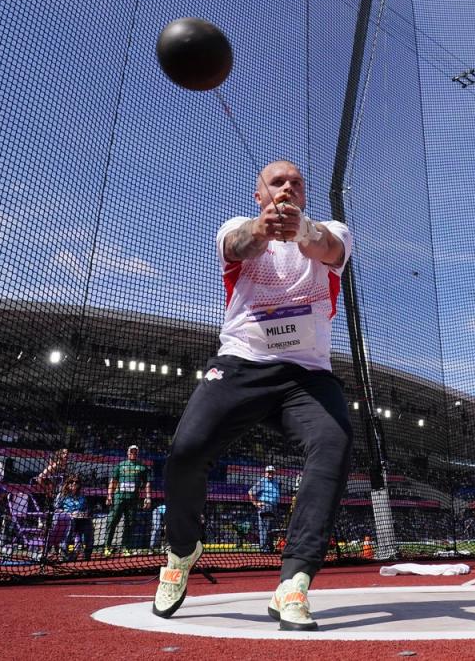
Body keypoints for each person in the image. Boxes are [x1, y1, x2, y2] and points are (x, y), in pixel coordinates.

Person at [152, 160, 353, 631]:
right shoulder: (237, 230)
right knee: (185, 450)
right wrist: (262, 231)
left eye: (296, 183)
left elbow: (328, 246)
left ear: (305, 196)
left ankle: (295, 581)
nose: (288, 187)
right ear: (258, 196)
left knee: (334, 444)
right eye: (277, 183)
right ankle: (181, 551)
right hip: (241, 363)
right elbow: (238, 243)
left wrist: (302, 230)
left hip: (306, 373)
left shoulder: (331, 230)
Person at [103, 445, 151, 556]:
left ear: (137, 453)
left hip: (133, 499)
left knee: (130, 523)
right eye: (131, 451)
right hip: (119, 498)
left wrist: (148, 497)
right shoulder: (120, 465)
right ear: (127, 452)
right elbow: (113, 481)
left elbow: (147, 483)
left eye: (135, 452)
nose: (133, 453)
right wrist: (109, 495)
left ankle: (126, 548)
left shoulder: (142, 467)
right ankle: (107, 546)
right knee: (112, 521)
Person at [54, 475, 93, 561]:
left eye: (77, 482)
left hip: (82, 519)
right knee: (71, 524)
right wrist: (68, 513)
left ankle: (87, 553)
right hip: (67, 519)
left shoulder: (82, 496)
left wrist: (86, 513)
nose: (74, 484)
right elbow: (56, 509)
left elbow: (87, 508)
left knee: (89, 526)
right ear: (67, 484)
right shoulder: (62, 495)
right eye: (72, 482)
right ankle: (64, 552)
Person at [249, 465, 280, 553]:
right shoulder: (262, 482)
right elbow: (251, 492)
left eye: (272, 472)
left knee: (271, 528)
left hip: (274, 507)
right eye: (269, 472)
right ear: (265, 473)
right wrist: (255, 503)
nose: (270, 474)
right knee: (264, 528)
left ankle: (270, 547)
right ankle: (264, 548)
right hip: (265, 506)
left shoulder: (275, 482)